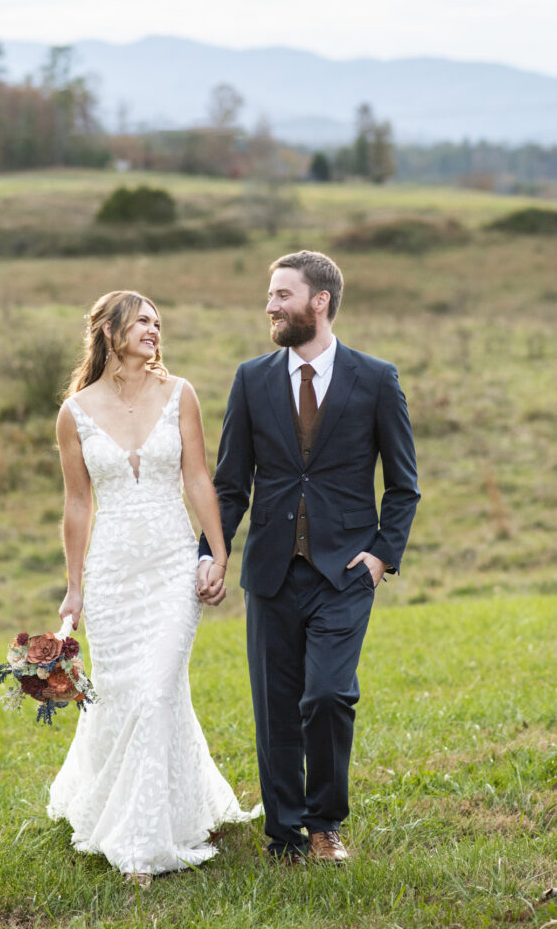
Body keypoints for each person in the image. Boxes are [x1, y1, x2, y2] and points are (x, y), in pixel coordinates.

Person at [198, 250, 420, 864]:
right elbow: (229, 482)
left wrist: (380, 556)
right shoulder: (251, 379)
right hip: (269, 571)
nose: (270, 306)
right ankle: (285, 835)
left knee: (326, 696)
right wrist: (211, 553)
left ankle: (325, 824)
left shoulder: (376, 379)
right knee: (275, 709)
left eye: (282, 295)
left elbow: (403, 484)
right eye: (270, 296)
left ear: (318, 302)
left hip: (345, 572)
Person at [48, 290, 253, 888]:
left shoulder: (179, 393)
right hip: (112, 575)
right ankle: (149, 803)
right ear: (109, 331)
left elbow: (197, 476)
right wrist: (74, 589)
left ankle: (141, 844)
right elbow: (78, 503)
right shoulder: (75, 412)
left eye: (159, 324)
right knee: (123, 695)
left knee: (158, 688)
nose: (155, 331)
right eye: (143, 322)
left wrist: (216, 552)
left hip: (170, 567)